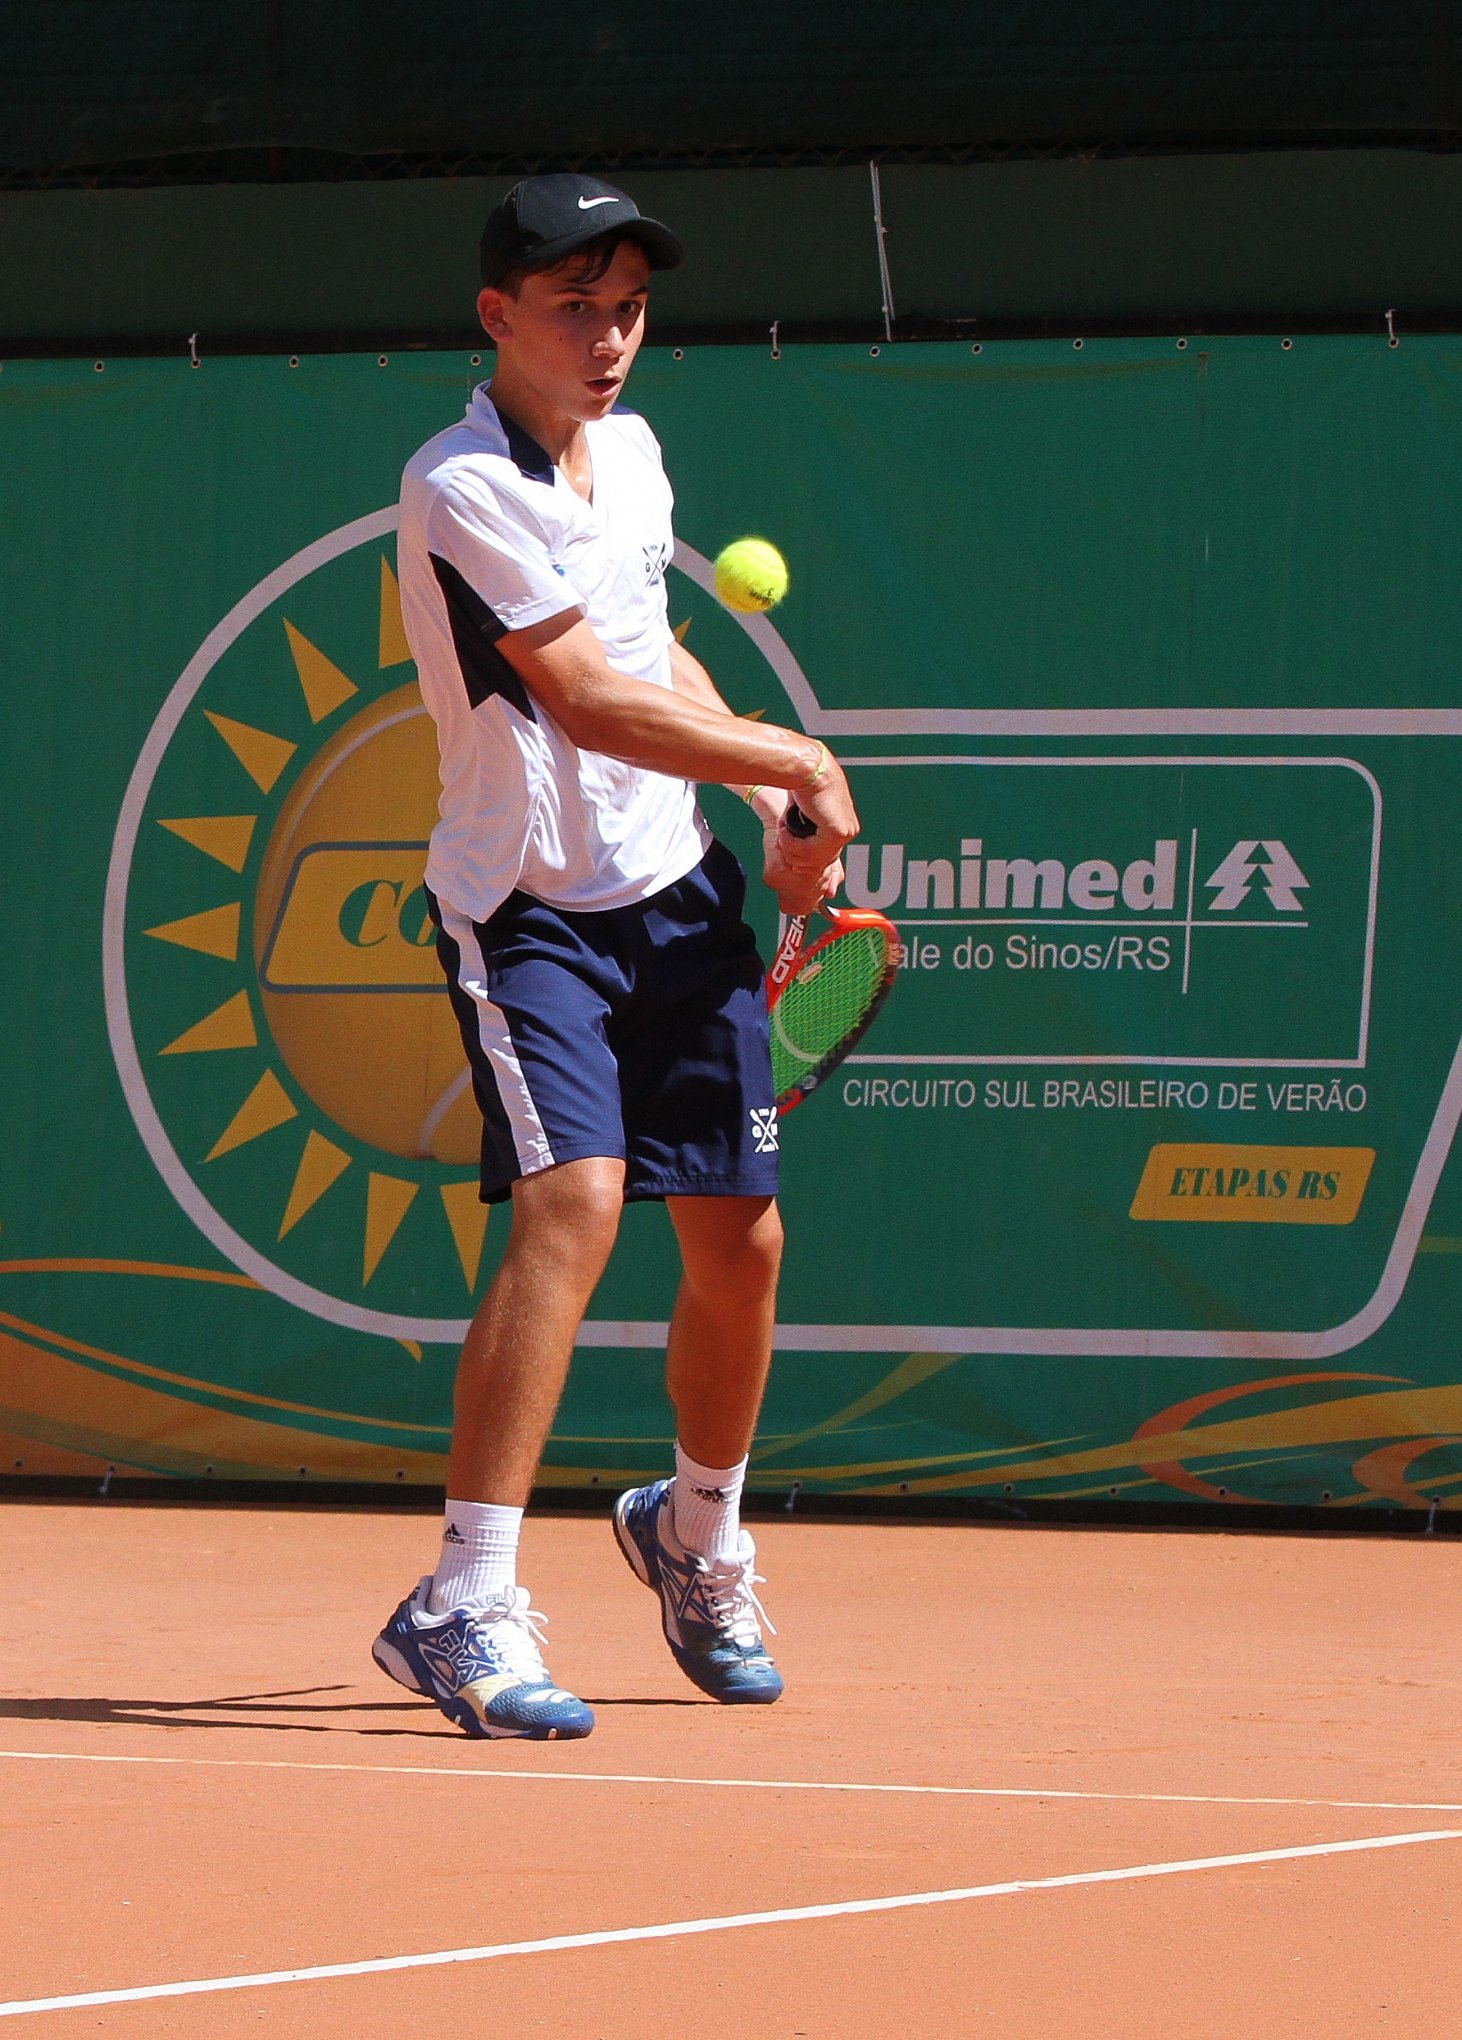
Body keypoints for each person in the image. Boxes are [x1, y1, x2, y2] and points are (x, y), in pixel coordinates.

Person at [371, 173, 858, 1740]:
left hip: (672, 892)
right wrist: (789, 746)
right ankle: (463, 1594)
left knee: (742, 1239)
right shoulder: (458, 484)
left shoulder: (634, 458)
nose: (609, 337)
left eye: (630, 308)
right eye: (575, 306)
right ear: (497, 315)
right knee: (575, 1206)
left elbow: (652, 657)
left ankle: (694, 1533)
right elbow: (578, 697)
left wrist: (763, 778)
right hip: (525, 906)